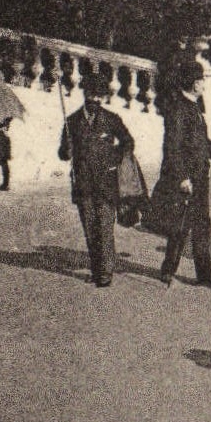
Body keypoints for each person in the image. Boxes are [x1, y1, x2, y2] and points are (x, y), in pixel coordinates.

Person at [58, 69, 138, 287]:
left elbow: (128, 142)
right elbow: (62, 152)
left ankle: (105, 272)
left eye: (99, 95)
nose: (94, 99)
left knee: (104, 227)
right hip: (83, 184)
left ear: (103, 97)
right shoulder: (72, 122)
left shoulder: (111, 119)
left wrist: (115, 157)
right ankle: (96, 269)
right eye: (91, 94)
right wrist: (67, 150)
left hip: (106, 183)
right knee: (90, 228)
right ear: (84, 94)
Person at [159, 60, 211, 289]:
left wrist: (209, 146)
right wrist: (182, 177)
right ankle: (168, 270)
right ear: (195, 83)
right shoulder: (179, 109)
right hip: (188, 178)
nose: (204, 84)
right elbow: (172, 148)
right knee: (181, 225)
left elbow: (194, 141)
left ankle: (205, 275)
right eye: (202, 80)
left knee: (202, 224)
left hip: (200, 174)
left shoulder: (193, 106)